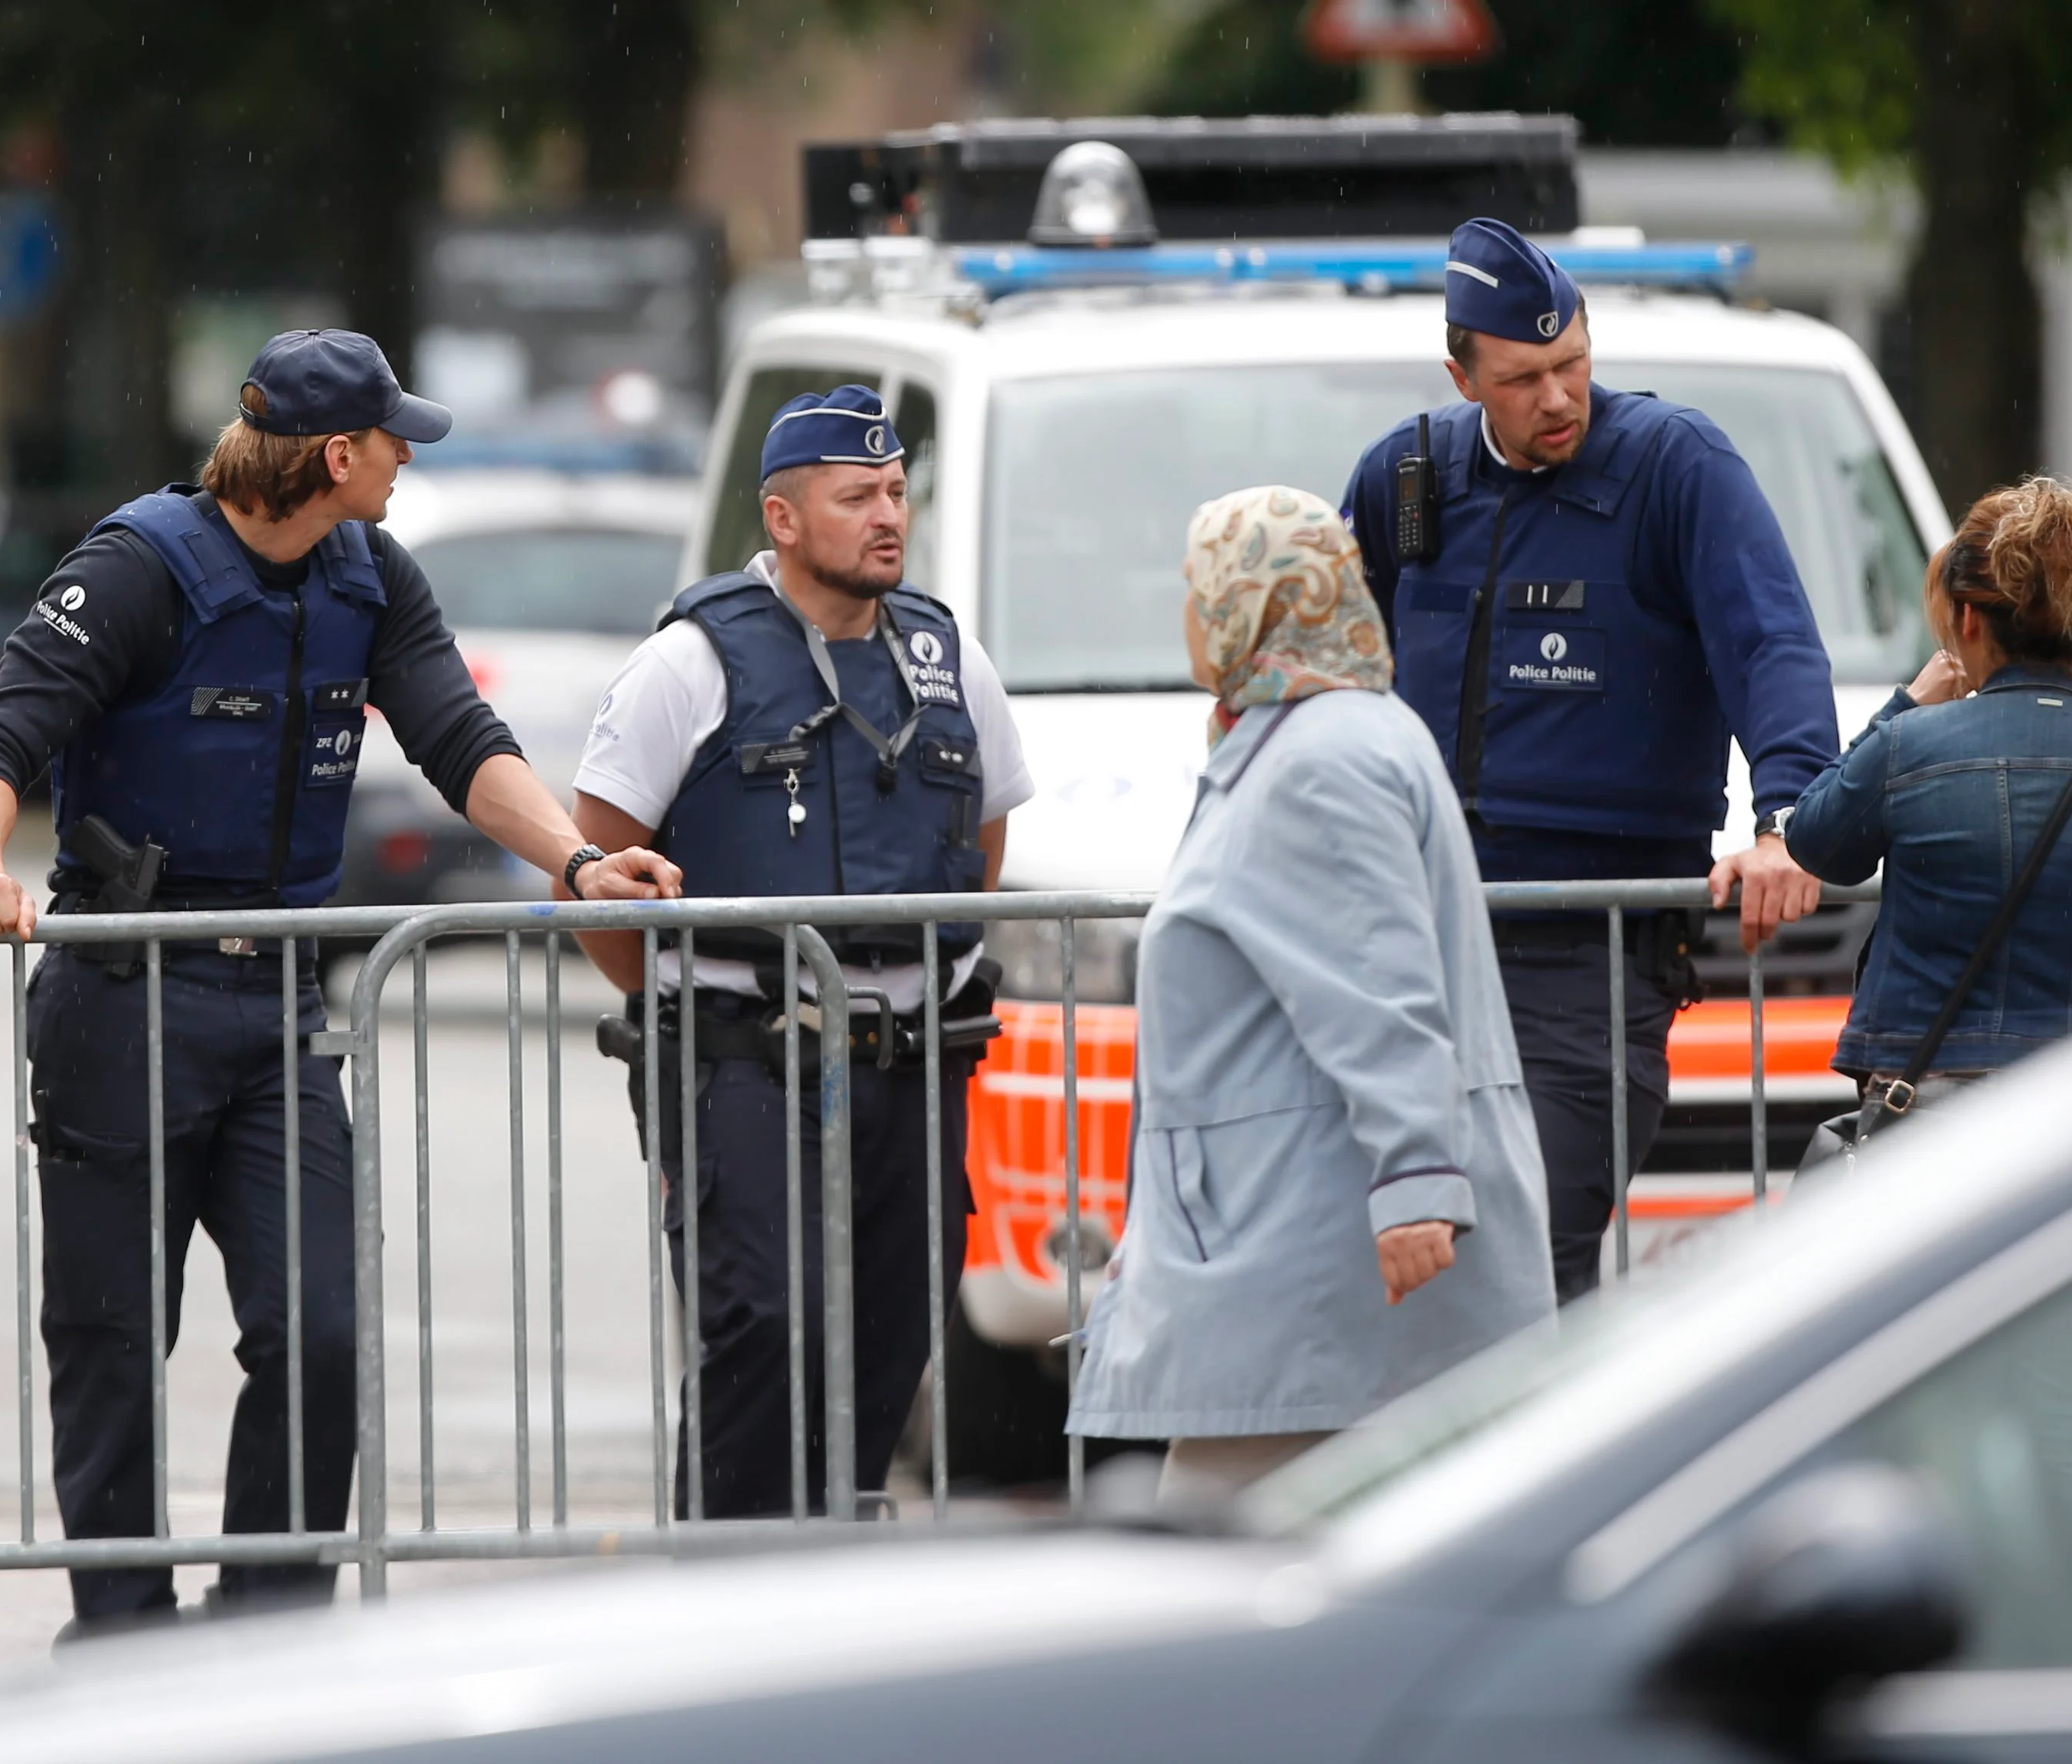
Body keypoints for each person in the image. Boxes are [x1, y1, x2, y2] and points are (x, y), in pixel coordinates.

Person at [0, 329, 677, 1638]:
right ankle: (120, 1629)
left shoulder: (369, 572)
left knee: (321, 1330)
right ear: (336, 454)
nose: (405, 457)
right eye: (393, 438)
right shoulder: (136, 567)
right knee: (111, 1345)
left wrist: (576, 860)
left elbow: (461, 738)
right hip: (124, 999)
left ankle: (268, 1626)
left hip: (279, 1007)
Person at [1339, 217, 1841, 1302]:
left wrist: (1788, 819)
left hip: (1589, 959)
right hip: (1416, 945)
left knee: (1528, 1263)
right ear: (1462, 374)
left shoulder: (1674, 467)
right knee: (1412, 1287)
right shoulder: (1405, 479)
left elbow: (1773, 643)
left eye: (1573, 362)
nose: (1560, 399)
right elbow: (1323, 679)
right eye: (1524, 378)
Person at [567, 384, 1031, 1519]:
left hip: (914, 1066)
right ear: (782, 518)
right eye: (855, 496)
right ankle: (721, 1591)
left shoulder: (946, 654)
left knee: (890, 1336)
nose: (889, 515)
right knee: (762, 1327)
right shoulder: (690, 660)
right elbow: (595, 869)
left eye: (895, 491)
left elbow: (983, 840)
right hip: (745, 1067)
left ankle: (833, 1589)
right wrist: (693, 1005)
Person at [1065, 485, 1555, 1507]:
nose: (1192, 616)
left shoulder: (1321, 758)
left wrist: (1419, 1183)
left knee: (1211, 1585)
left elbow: (1379, 990)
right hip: (1297, 1245)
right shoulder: (1324, 738)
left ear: (1259, 601)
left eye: (1204, 590)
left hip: (1311, 1258)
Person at [1787, 478, 2072, 1616]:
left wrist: (1910, 701)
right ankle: (2059, 1668)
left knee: (1923, 1417)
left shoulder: (1916, 755)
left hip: (1929, 1132)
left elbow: (1817, 840)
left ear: (1966, 618)